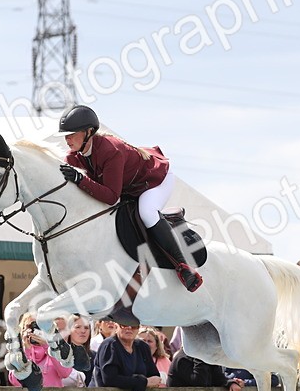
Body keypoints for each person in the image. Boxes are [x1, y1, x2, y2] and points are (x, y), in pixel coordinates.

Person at [56, 104, 202, 292]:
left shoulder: (111, 150)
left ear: (89, 132)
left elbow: (111, 197)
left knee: (147, 212)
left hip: (154, 181)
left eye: (72, 133)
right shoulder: (73, 157)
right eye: (65, 135)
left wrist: (80, 179)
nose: (67, 139)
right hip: (128, 187)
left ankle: (183, 267)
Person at [8, 313, 77, 391]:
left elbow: (65, 373)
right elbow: (15, 381)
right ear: (22, 330)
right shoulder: (17, 352)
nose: (34, 330)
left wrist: (48, 346)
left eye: (39, 327)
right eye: (29, 326)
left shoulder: (56, 349)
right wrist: (26, 351)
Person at [86, 322, 161, 391]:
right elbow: (110, 379)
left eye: (133, 325)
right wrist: (143, 382)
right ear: (116, 325)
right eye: (124, 324)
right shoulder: (109, 345)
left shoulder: (142, 347)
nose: (129, 328)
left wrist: (138, 382)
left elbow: (154, 377)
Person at [166, 349, 244, 391]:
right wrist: (200, 356)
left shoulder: (207, 357)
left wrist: (230, 383)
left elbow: (218, 377)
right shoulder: (181, 359)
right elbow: (200, 382)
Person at [137, 326, 171, 391]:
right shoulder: (131, 360)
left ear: (156, 346)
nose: (146, 344)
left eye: (150, 341)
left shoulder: (166, 362)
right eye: (143, 341)